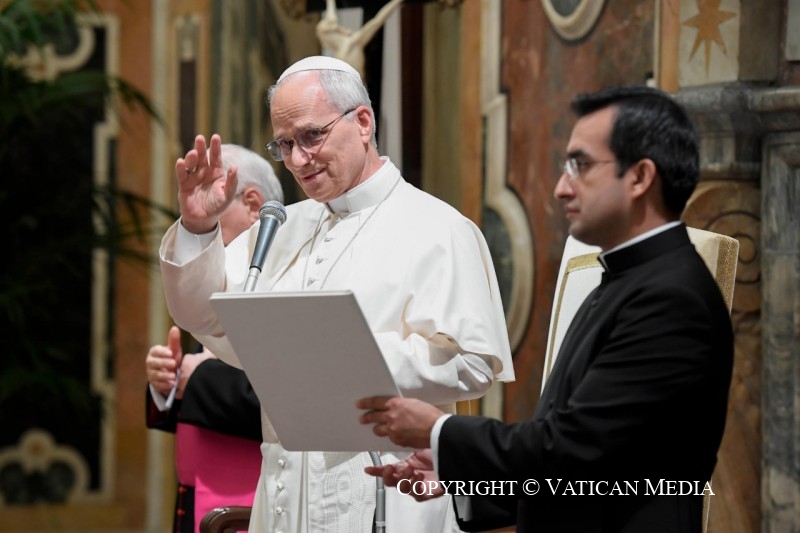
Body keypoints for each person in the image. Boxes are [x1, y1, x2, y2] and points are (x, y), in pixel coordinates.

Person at [158, 55, 514, 533]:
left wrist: (340, 356)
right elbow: (204, 315)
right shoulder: (280, 227)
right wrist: (198, 227)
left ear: (362, 122)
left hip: (389, 489)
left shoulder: (439, 228)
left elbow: (473, 362)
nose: (297, 160)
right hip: (284, 495)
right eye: (285, 144)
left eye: (311, 136)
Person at [358, 85, 735, 533]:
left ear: (639, 177)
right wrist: (462, 480)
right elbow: (587, 472)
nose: (560, 188)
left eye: (581, 165)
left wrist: (440, 431)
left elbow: (574, 451)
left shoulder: (670, 298)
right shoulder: (626, 279)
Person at [146, 144, 284, 533]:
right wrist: (166, 383)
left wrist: (196, 378)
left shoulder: (283, 273)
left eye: (216, 194)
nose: (203, 209)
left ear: (252, 203)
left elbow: (288, 393)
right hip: (198, 496)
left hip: (251, 498)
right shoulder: (212, 273)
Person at [315, 0, 404, 80]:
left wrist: (330, 4)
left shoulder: (350, 44)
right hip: (353, 86)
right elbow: (377, 21)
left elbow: (377, 21)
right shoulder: (351, 43)